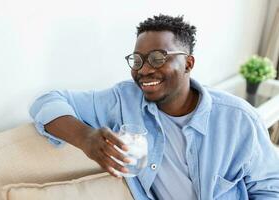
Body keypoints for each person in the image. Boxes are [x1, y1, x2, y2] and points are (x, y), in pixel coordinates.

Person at [30, 14, 279, 199]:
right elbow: (46, 102)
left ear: (188, 64)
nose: (144, 69)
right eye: (137, 60)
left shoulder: (238, 119)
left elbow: (270, 188)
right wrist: (86, 138)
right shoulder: (123, 100)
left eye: (158, 58)